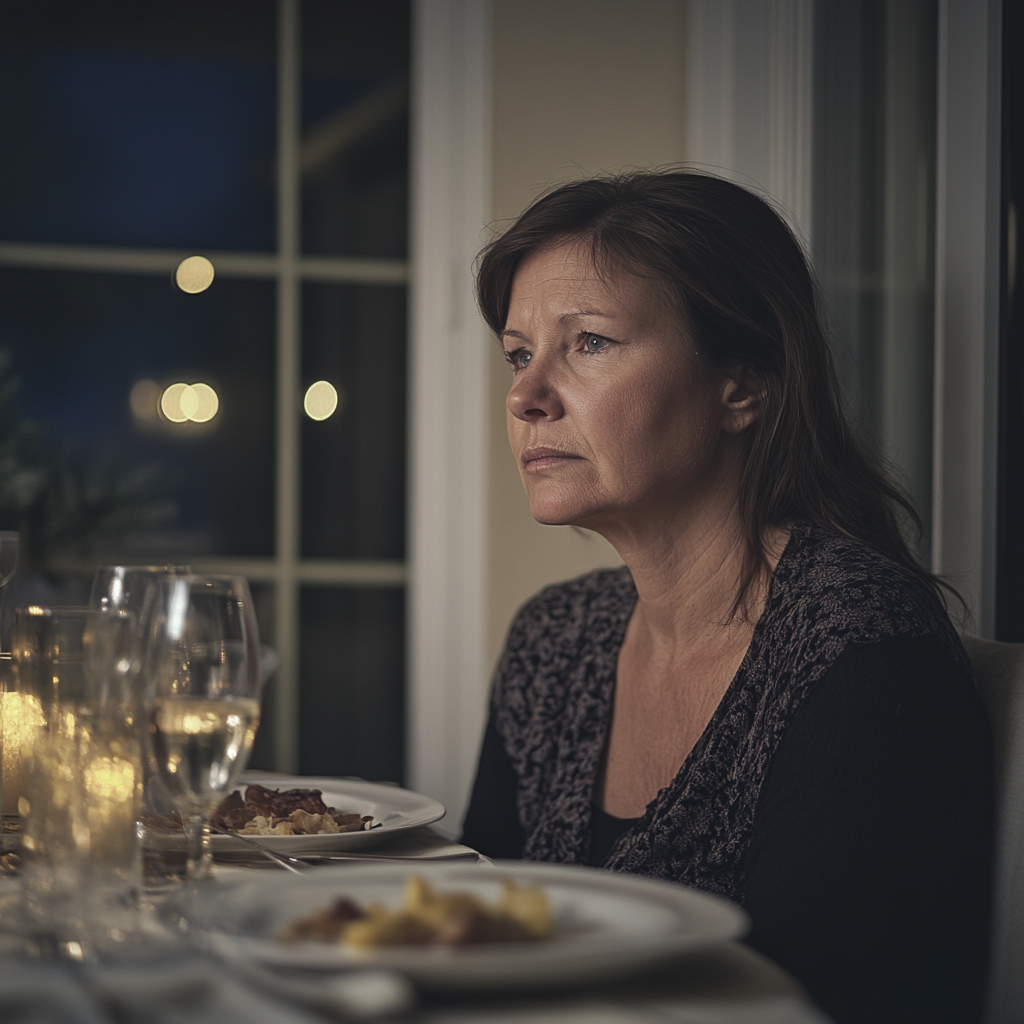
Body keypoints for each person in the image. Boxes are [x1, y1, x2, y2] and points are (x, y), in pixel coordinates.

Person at [461, 171, 993, 1024]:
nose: (526, 396)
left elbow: (820, 1004)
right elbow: (461, 936)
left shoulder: (860, 646)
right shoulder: (554, 637)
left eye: (589, 343)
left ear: (742, 387)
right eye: (520, 354)